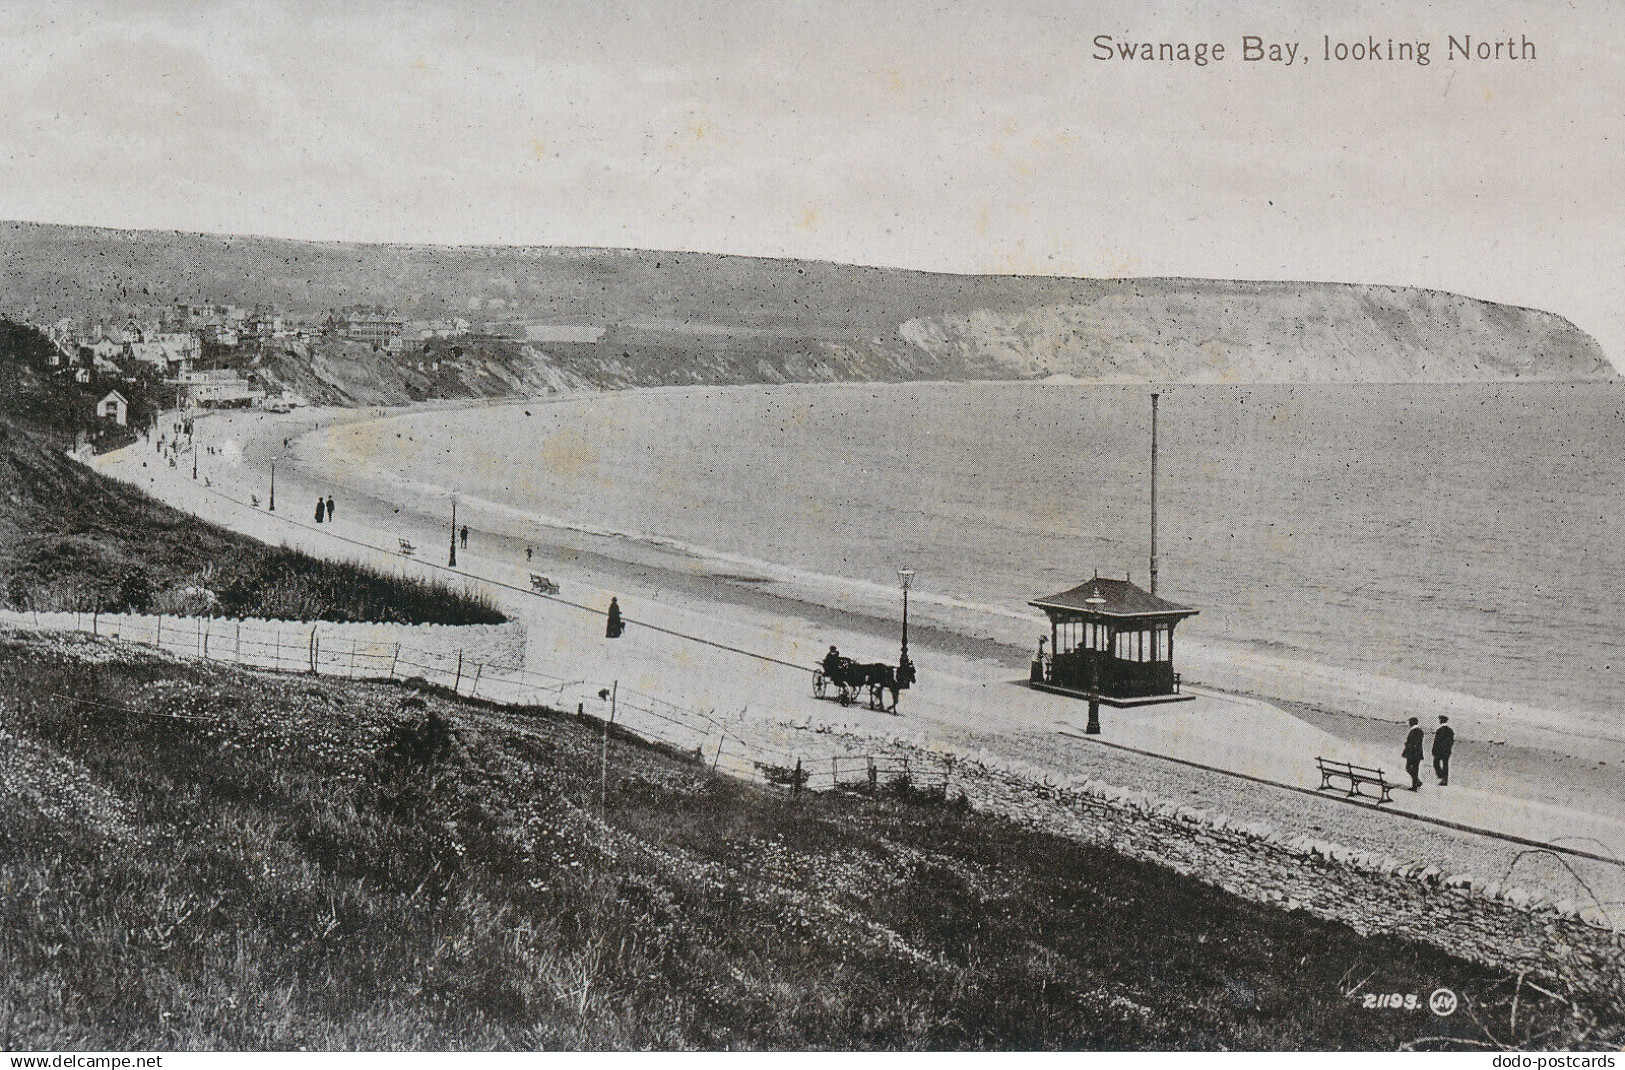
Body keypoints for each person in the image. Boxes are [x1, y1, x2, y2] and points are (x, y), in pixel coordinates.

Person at [1402, 717, 1425, 790]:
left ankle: (1415, 785)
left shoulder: (1415, 731)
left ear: (1412, 722)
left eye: (1409, 722)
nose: (1408, 723)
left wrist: (1407, 746)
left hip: (1413, 753)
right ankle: (1416, 783)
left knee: (1410, 768)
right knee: (1414, 769)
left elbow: (1413, 743)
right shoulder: (1419, 731)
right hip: (1417, 753)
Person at [1432, 715, 1455, 786]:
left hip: (1439, 751)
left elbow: (1436, 742)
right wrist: (1448, 749)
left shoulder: (1439, 730)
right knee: (1445, 765)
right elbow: (1451, 741)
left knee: (1436, 763)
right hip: (1447, 751)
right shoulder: (1450, 730)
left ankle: (1441, 776)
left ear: (1441, 721)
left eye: (1440, 720)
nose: (1439, 721)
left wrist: (1434, 750)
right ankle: (1445, 780)